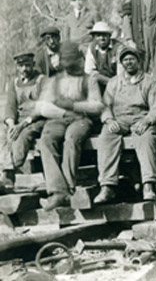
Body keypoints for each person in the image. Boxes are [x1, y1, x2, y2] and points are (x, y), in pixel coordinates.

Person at [36, 41, 104, 210]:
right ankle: (58, 191)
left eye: (72, 59)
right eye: (65, 59)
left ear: (79, 60)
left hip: (82, 119)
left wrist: (74, 106)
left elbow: (97, 106)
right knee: (46, 140)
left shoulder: (89, 80)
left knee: (71, 139)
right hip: (60, 119)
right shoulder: (55, 81)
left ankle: (68, 188)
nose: (68, 63)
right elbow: (43, 107)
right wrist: (64, 113)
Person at [94, 47, 156, 204]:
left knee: (145, 139)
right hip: (120, 119)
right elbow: (105, 106)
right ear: (121, 63)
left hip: (141, 118)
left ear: (138, 61)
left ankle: (148, 185)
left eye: (132, 59)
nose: (129, 62)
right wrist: (109, 120)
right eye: (125, 60)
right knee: (106, 137)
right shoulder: (114, 82)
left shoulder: (149, 81)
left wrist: (147, 121)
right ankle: (107, 186)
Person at [0, 51, 46, 193]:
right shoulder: (14, 83)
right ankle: (7, 176)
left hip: (36, 120)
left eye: (27, 65)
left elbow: (42, 108)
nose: (24, 69)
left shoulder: (42, 80)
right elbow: (10, 106)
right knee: (3, 134)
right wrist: (11, 125)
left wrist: (22, 125)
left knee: (23, 136)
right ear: (17, 67)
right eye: (21, 66)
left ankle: (11, 170)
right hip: (19, 121)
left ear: (33, 64)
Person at [84, 21, 122, 95]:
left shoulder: (118, 48)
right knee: (91, 80)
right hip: (101, 82)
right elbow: (89, 71)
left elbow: (121, 75)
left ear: (109, 36)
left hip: (117, 84)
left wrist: (112, 84)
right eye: (98, 35)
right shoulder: (92, 48)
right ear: (94, 37)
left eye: (104, 35)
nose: (102, 38)